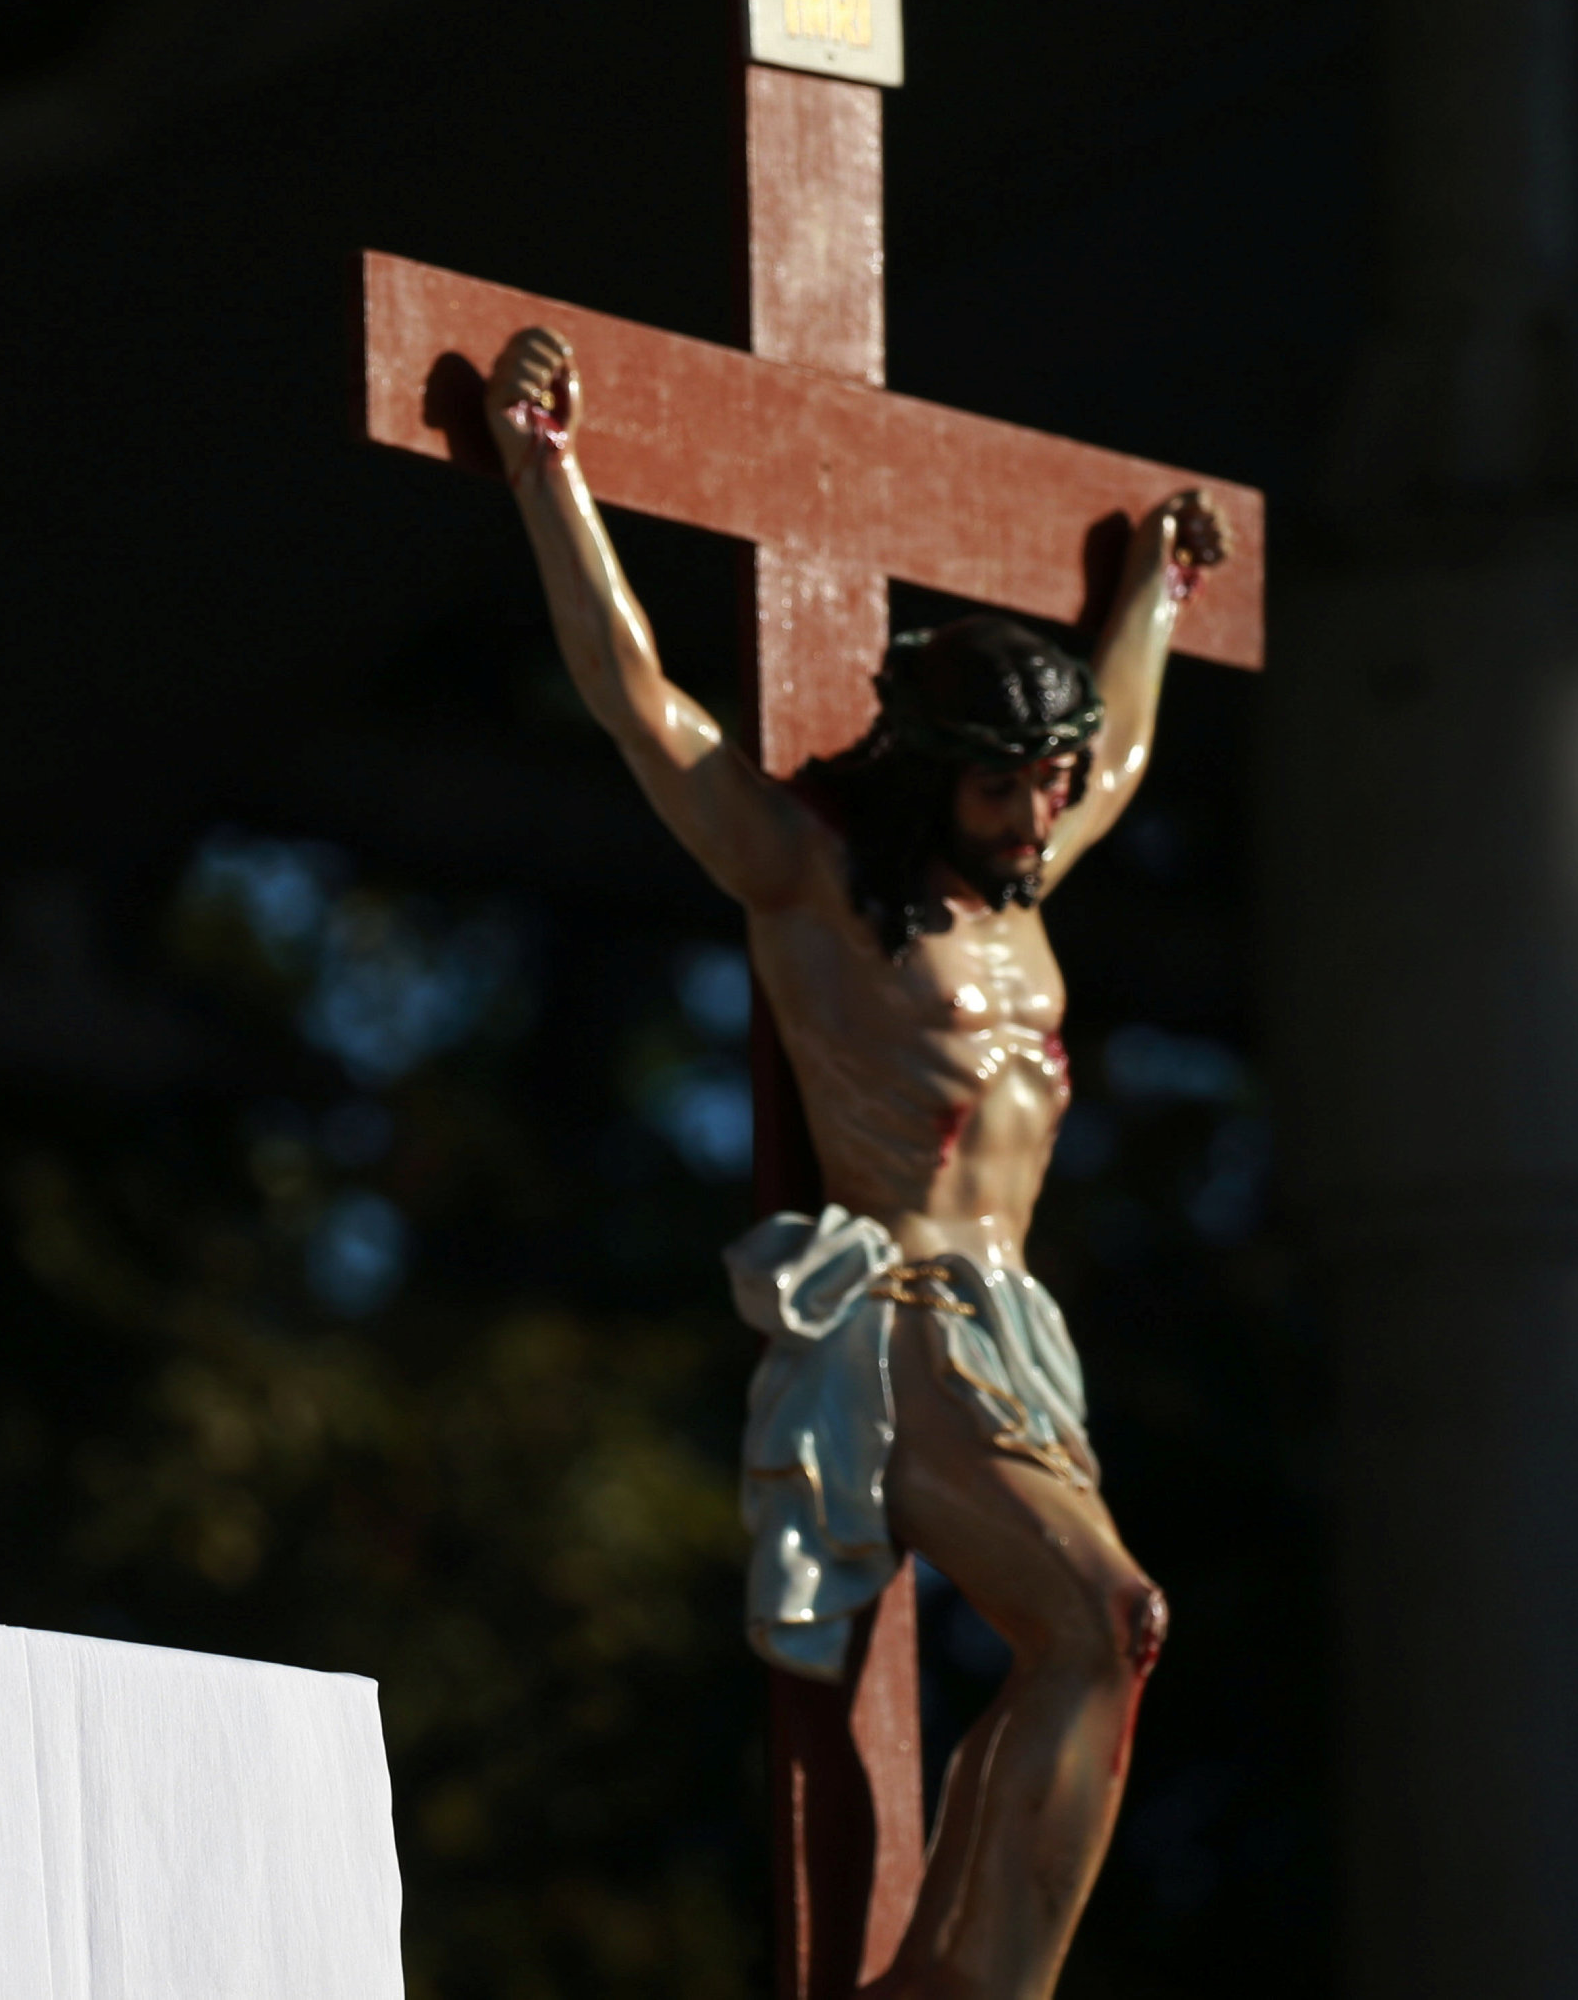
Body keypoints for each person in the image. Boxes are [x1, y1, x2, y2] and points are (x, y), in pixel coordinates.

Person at [483, 327, 1226, 2000]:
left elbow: (1122, 748)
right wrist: (549, 474)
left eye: (1044, 784)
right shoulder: (812, 875)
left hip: (1013, 1335)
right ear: (926, 770)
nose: (1039, 818)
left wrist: (1160, 583)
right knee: (1109, 1619)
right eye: (1000, 785)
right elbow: (639, 702)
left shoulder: (1028, 872)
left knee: (1089, 1645)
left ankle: (941, 1981)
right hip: (900, 1321)